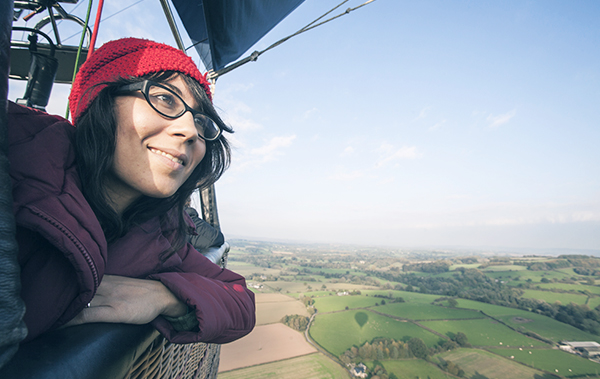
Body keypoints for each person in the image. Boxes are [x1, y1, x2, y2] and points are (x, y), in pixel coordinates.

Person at [7, 37, 255, 344]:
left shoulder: (158, 233)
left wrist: (166, 297)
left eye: (201, 123)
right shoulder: (17, 167)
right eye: (166, 100)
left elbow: (240, 301)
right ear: (100, 100)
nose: (190, 131)